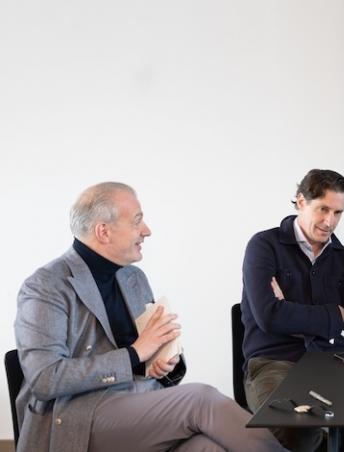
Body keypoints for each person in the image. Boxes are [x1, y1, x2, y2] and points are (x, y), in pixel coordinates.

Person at [14, 182, 284, 452]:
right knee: (201, 399)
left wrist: (162, 361)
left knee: (207, 447)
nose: (147, 231)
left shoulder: (133, 277)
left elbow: (147, 357)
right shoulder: (46, 285)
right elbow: (45, 378)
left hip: (137, 402)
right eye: (137, 221)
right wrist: (134, 354)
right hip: (77, 417)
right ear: (103, 231)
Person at [241, 169, 344, 452]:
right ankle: (326, 441)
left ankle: (329, 440)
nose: (330, 221)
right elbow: (268, 316)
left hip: (332, 364)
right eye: (323, 209)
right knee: (298, 433)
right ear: (301, 201)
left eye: (338, 212)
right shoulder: (264, 247)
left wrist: (289, 312)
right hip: (274, 363)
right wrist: (335, 314)